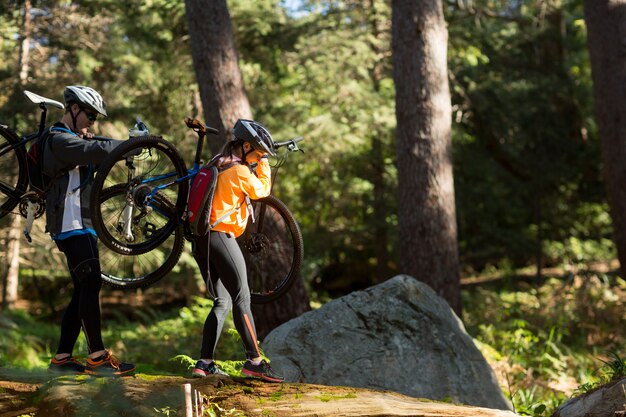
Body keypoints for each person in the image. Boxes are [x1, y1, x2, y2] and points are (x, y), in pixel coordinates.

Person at [43, 85, 135, 376]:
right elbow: (89, 151)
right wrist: (130, 144)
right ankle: (96, 356)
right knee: (92, 281)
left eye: (95, 117)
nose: (92, 121)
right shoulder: (58, 138)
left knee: (83, 287)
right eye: (90, 115)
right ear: (73, 109)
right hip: (68, 223)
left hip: (84, 223)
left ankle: (62, 357)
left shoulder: (73, 138)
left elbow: (92, 154)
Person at [191, 119, 284, 383]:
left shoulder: (217, 163)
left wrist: (259, 157)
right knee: (242, 296)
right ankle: (255, 361)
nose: (259, 157)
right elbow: (262, 191)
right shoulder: (241, 172)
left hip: (202, 240)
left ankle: (204, 362)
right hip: (221, 237)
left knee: (222, 301)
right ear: (245, 146)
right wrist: (264, 164)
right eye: (257, 152)